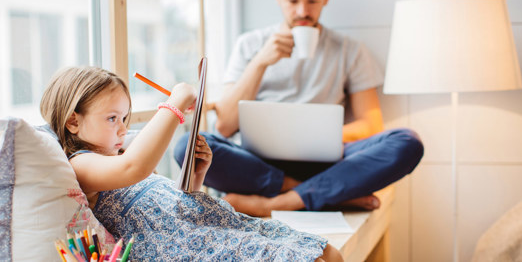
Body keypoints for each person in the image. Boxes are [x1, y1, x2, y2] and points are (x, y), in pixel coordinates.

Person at [39, 66, 343, 261]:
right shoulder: (82, 163)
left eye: (125, 118)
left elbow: (172, 202)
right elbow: (133, 168)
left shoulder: (119, 155)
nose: (122, 128)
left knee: (330, 253)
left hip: (211, 225)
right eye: (111, 118)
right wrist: (173, 103)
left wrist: (196, 177)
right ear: (72, 122)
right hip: (184, 247)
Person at [174, 0, 424, 217]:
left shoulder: (350, 49)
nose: (303, 11)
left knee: (407, 142)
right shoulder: (250, 45)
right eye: (293, 1)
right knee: (187, 146)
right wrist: (260, 62)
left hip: (327, 162)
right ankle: (318, 194)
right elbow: (225, 126)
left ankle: (276, 203)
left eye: (313, 0)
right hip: (259, 163)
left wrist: (318, 137)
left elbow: (370, 125)